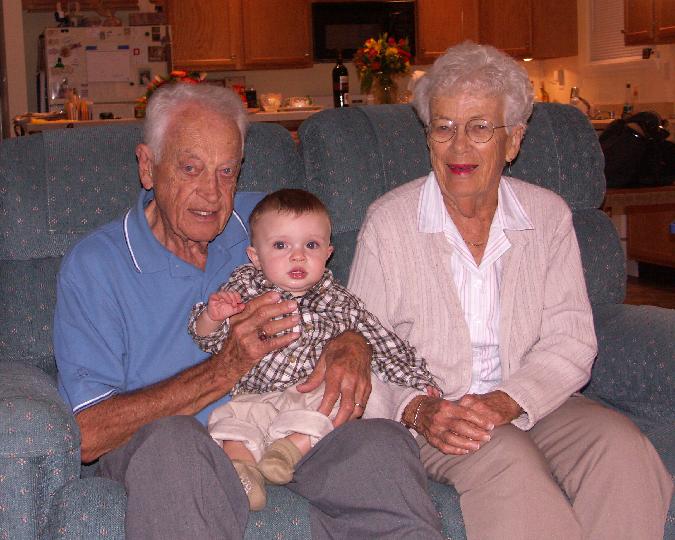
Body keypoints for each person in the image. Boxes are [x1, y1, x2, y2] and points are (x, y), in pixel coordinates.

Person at [54, 83, 443, 539]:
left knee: (379, 445)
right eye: (190, 168)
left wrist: (351, 342)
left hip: (288, 424)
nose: (212, 193)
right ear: (147, 166)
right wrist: (224, 368)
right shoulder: (97, 265)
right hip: (169, 442)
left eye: (226, 171)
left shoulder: (267, 225)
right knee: (175, 444)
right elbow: (89, 433)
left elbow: (333, 300)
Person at [348, 41, 673, 540]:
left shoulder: (548, 217)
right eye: (444, 127)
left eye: (480, 128)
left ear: (514, 140)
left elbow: (570, 339)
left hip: (532, 399)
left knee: (622, 450)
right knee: (507, 460)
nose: (459, 147)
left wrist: (510, 399)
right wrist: (417, 409)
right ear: (428, 137)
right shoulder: (389, 224)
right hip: (437, 413)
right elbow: (358, 351)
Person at [188, 188, 440, 510]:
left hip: (310, 395)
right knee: (234, 423)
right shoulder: (245, 288)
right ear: (255, 256)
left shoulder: (340, 302)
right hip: (255, 393)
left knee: (339, 406)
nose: (298, 256)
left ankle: (287, 452)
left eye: (311, 245)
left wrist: (419, 381)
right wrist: (212, 317)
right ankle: (242, 471)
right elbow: (207, 340)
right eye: (281, 245)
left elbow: (382, 343)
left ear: (328, 253)